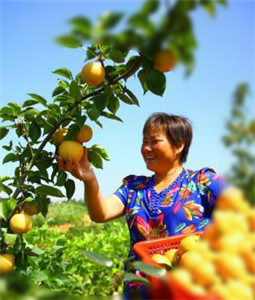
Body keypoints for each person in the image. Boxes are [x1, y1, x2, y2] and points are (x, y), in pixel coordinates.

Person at [57, 112, 229, 298]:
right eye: (144, 142)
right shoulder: (134, 187)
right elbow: (101, 213)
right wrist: (90, 180)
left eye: (154, 141)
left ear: (179, 145)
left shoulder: (202, 181)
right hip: (140, 290)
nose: (146, 148)